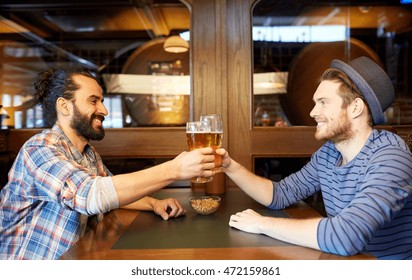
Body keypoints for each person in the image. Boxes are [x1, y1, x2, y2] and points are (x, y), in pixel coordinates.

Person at [0, 68, 216, 260]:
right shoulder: (39, 149)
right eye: (93, 101)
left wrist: (153, 204)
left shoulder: (88, 153)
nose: (104, 110)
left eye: (102, 101)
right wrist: (174, 169)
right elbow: (91, 195)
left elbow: (111, 190)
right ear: (64, 106)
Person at [216, 56, 412, 259]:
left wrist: (261, 223)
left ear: (355, 108)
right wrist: (230, 166)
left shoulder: (391, 156)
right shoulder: (329, 154)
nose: (312, 112)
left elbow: (346, 237)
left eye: (323, 103)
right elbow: (281, 194)